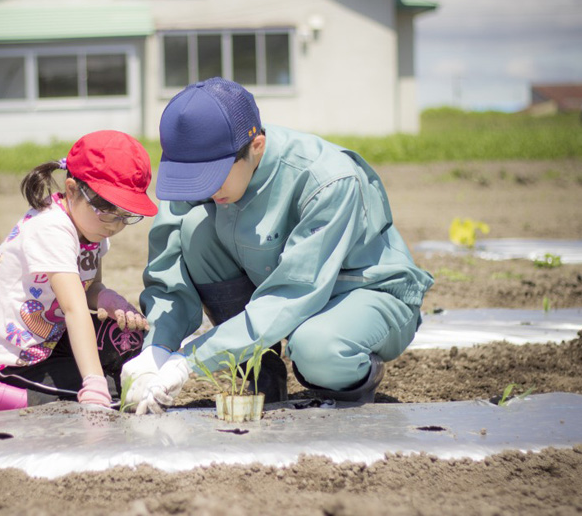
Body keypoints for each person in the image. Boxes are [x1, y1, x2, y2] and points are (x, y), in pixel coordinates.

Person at [121, 78, 434, 414]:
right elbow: (168, 266)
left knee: (317, 348)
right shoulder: (201, 167)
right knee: (195, 230)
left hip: (362, 290)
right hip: (276, 285)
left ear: (256, 146)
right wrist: (157, 350)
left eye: (213, 176)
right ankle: (261, 372)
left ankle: (345, 387)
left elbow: (293, 293)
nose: (204, 189)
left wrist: (188, 361)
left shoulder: (327, 180)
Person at [0, 130, 157, 414]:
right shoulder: (52, 228)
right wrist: (93, 382)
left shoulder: (93, 227)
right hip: (14, 357)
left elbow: (88, 289)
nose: (114, 224)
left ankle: (80, 383)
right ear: (73, 190)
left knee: (131, 343)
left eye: (125, 215)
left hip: (51, 338)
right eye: (107, 210)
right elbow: (73, 309)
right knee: (121, 394)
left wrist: (104, 297)